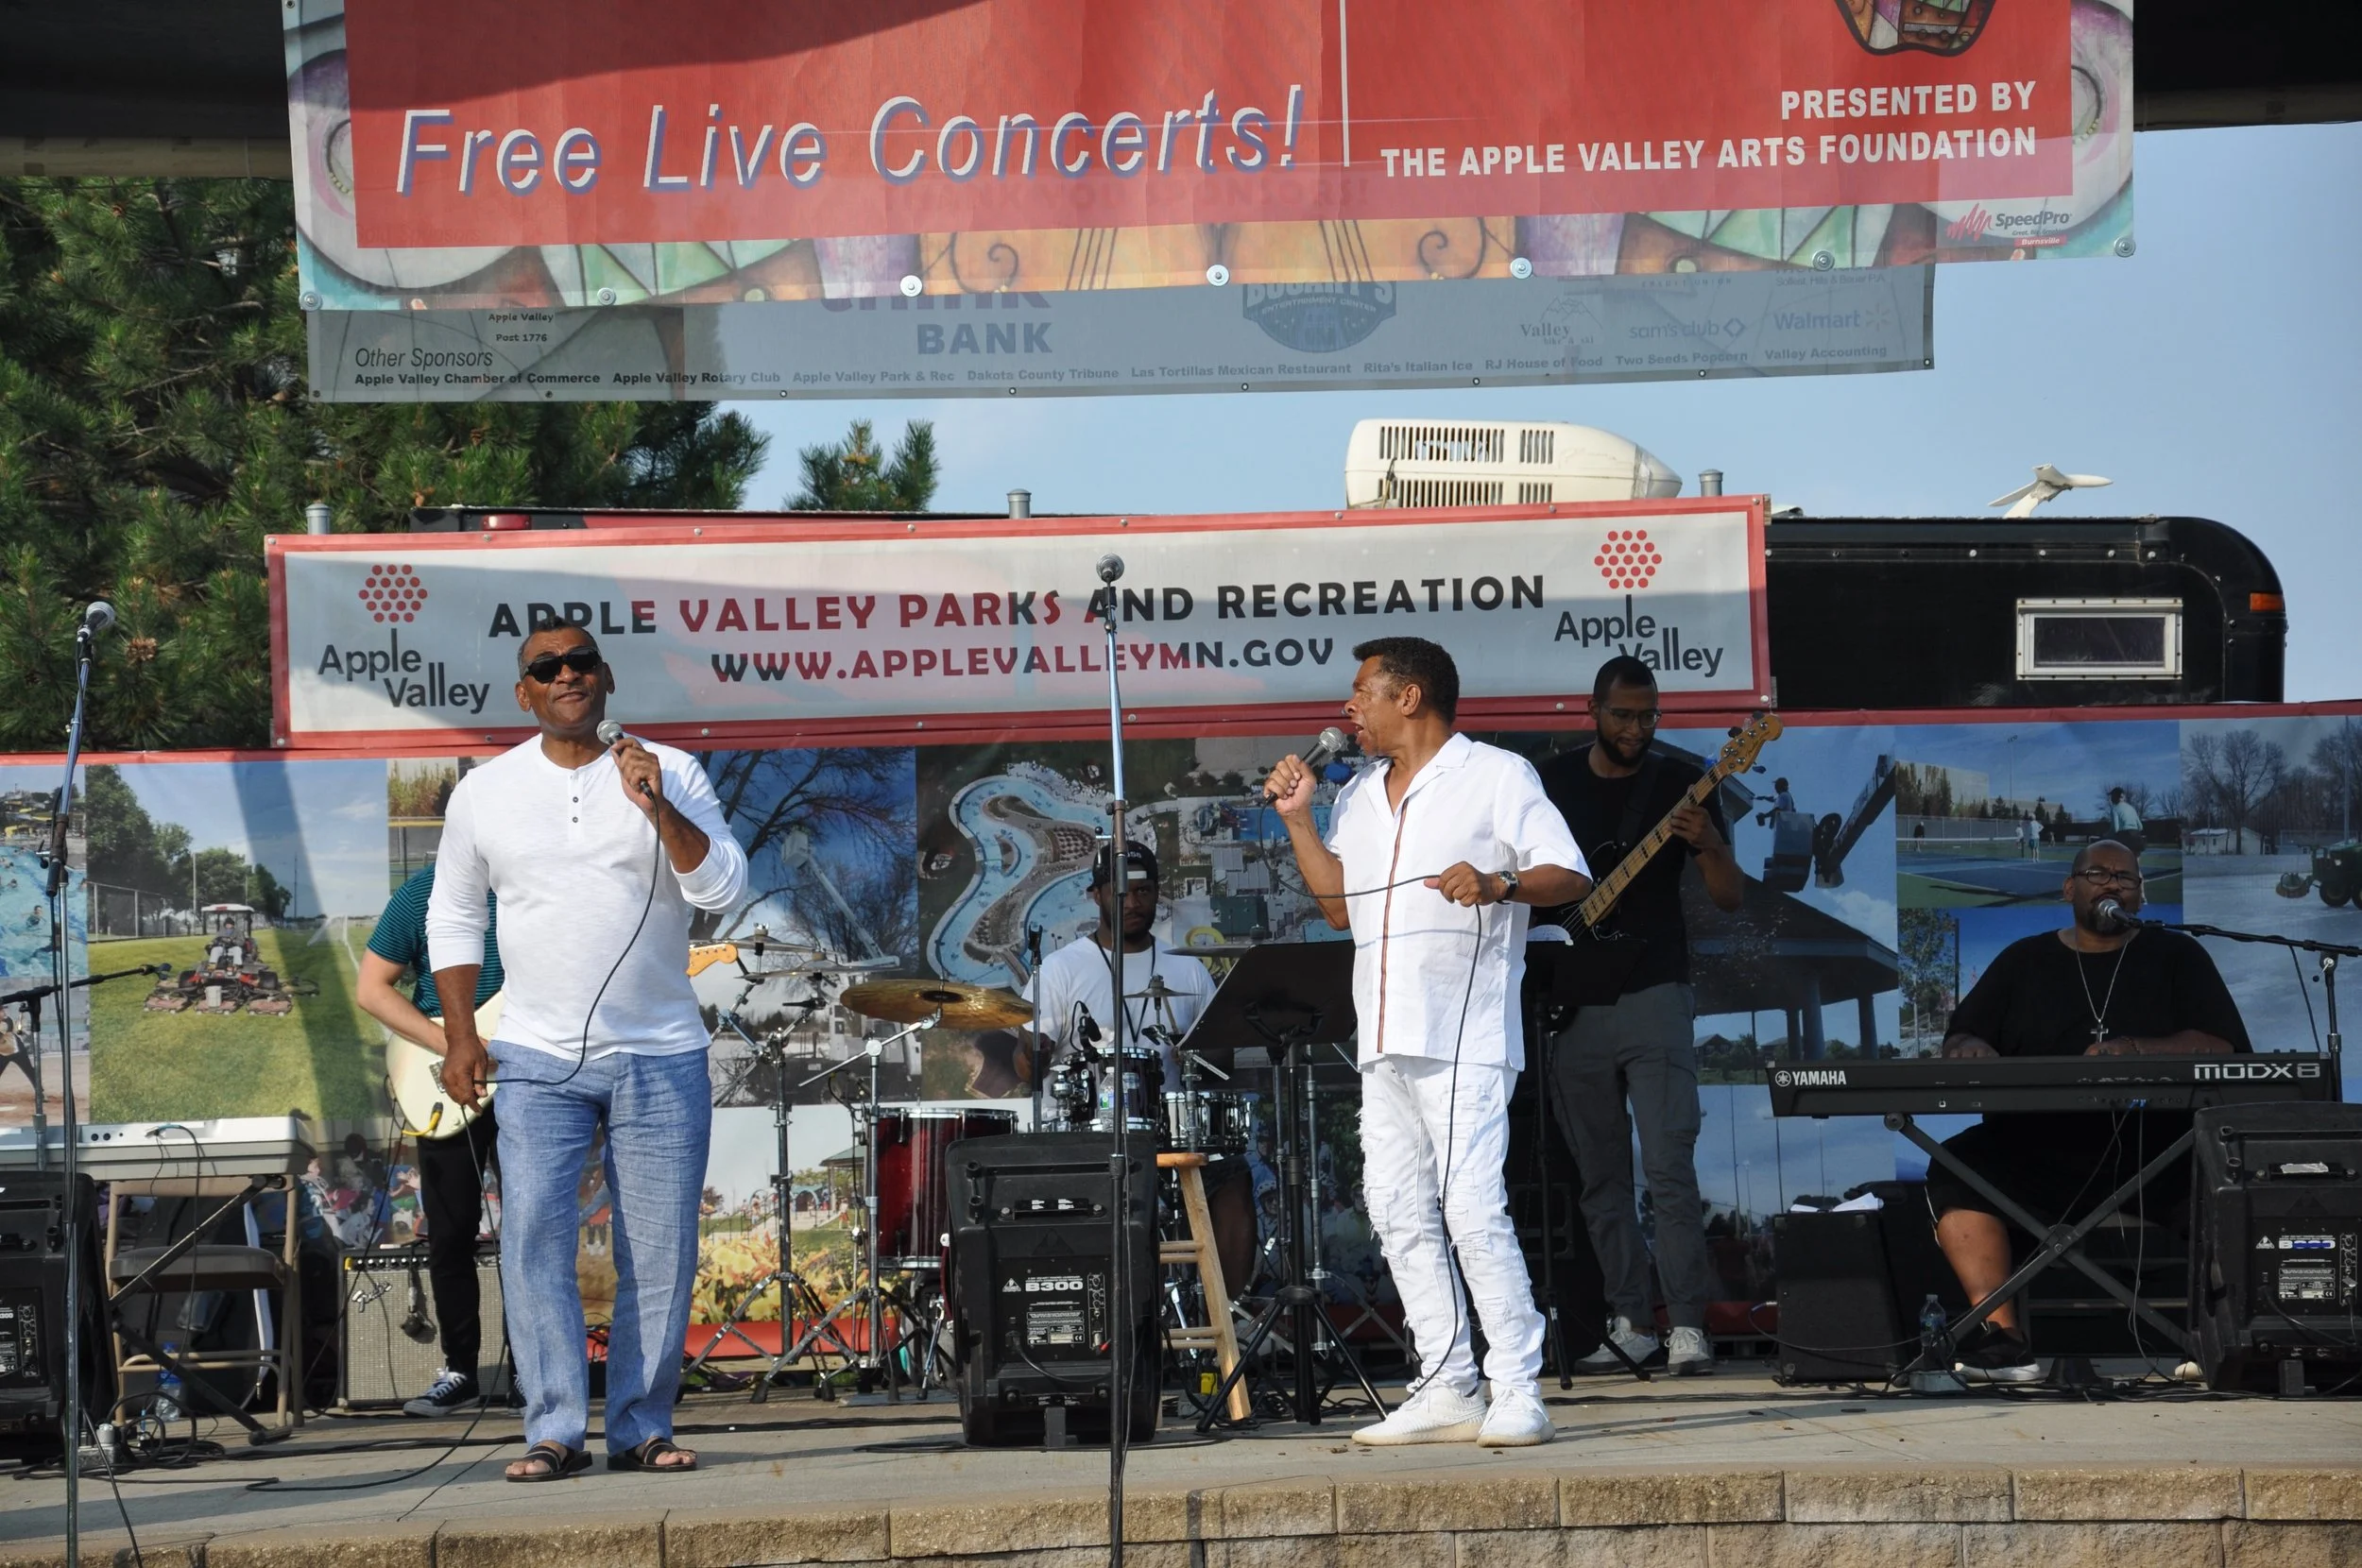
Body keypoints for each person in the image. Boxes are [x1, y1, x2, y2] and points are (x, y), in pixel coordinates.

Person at [427, 625, 747, 1481]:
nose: (567, 675)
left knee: (661, 1248)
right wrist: (462, 1034)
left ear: (606, 678)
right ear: (524, 693)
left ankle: (642, 1425)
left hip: (661, 1050)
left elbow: (721, 888)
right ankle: (555, 1428)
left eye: (581, 663)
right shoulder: (486, 792)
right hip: (535, 1055)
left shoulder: (668, 769)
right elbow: (454, 918)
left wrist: (654, 804)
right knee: (534, 1239)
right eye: (547, 668)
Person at [1264, 637, 1591, 1447]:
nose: (1349, 710)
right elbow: (1339, 907)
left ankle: (1518, 1386)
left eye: (1361, 693)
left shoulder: (1497, 776)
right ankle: (1447, 1384)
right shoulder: (1359, 796)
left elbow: (1570, 874)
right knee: (1398, 1209)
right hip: (1381, 1035)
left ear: (1408, 697)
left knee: (1473, 1208)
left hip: (1464, 1032)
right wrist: (1300, 820)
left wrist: (1499, 882)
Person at [1932, 838, 2248, 1382]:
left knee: (2226, 1176)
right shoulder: (2023, 960)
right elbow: (1964, 1036)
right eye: (2098, 873)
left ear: (2141, 897)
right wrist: (1970, 1048)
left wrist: (2136, 1049)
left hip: (2156, 1149)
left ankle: (2214, 1340)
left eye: (2125, 879)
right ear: (2068, 888)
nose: (2111, 885)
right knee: (1957, 1168)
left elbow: (2224, 1046)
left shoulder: (2177, 955)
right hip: (2035, 1151)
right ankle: (2004, 1340)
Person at [1535, 656, 1746, 1377]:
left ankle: (1688, 1325)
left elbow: (1728, 897)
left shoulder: (1684, 783)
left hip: (1657, 994)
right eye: (1623, 714)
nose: (1636, 727)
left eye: (1648, 715)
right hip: (1575, 1001)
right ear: (1592, 710)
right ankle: (1631, 1320)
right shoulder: (1551, 782)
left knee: (1668, 1167)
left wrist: (1709, 841)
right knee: (1600, 1176)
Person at [1026, 842, 1255, 1293]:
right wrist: (1033, 1051)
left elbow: (1221, 1060)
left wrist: (1194, 1055)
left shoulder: (1185, 969)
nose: (1134, 903)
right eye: (1122, 892)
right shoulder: (1060, 970)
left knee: (1233, 1176)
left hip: (1169, 1133)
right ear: (1097, 894)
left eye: (1145, 892)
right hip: (1091, 1138)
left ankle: (1225, 1317)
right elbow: (1027, 1069)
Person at [356, 860, 505, 1417]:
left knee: (538, 1232)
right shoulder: (421, 893)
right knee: (450, 1231)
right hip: (446, 1077)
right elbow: (373, 988)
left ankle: (533, 1373)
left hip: (528, 1076)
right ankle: (461, 1369)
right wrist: (453, 1044)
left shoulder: (536, 882)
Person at [2107, 787, 2147, 857]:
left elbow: (2116, 829)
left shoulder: (2114, 809)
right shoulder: (2132, 808)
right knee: (2136, 854)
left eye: (2112, 796)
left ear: (2115, 797)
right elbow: (2140, 827)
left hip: (2125, 838)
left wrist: (2106, 835)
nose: (2111, 799)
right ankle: (2137, 866)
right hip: (2137, 837)